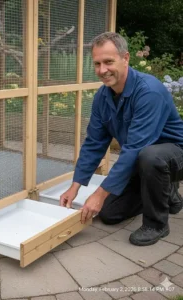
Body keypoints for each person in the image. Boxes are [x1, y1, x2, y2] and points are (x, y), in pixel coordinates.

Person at [60, 32, 183, 246]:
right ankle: (164, 194)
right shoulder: (102, 96)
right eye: (97, 63)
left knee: (151, 156)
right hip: (142, 159)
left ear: (125, 58)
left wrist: (99, 194)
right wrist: (76, 185)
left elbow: (135, 148)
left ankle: (157, 224)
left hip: (173, 156)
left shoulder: (149, 92)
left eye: (108, 62)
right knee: (109, 214)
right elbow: (94, 143)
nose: (102, 70)